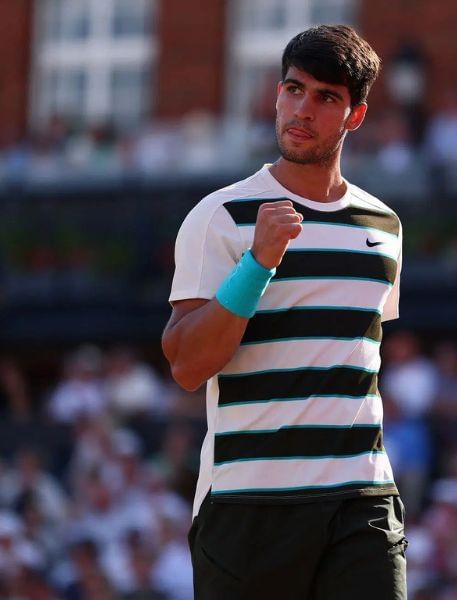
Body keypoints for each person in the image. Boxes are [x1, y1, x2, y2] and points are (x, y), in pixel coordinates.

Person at [161, 25, 406, 599]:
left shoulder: (384, 227)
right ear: (277, 93)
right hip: (249, 505)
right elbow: (187, 365)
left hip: (362, 501)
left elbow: (352, 361)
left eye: (326, 97)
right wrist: (258, 263)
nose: (303, 109)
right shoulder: (219, 215)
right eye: (294, 89)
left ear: (356, 116)